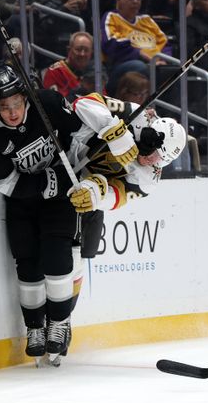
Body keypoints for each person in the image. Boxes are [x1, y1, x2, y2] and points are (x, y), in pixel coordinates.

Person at [0, 65, 82, 365]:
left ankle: (59, 323)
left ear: (25, 97)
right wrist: (46, 183)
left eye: (16, 104)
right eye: (4, 107)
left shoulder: (47, 103)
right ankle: (35, 327)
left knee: (57, 254)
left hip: (61, 198)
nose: (12, 112)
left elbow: (79, 134)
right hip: (23, 201)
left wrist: (71, 175)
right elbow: (8, 183)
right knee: (28, 262)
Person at [65, 92, 186, 320]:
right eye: (154, 153)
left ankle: (64, 318)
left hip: (85, 190)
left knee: (78, 259)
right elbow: (82, 103)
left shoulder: (150, 178)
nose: (151, 161)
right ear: (150, 134)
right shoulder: (135, 114)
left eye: (160, 161)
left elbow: (118, 197)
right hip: (64, 155)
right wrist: (113, 129)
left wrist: (97, 193)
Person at [101, 0, 171, 96]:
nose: (135, 1)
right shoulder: (111, 17)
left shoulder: (146, 20)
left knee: (177, 70)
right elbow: (111, 44)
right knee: (139, 67)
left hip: (155, 64)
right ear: (119, 0)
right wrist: (140, 54)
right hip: (122, 65)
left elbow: (165, 43)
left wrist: (163, 61)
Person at [43, 31, 94, 98]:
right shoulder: (55, 72)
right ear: (69, 50)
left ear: (91, 53)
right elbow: (54, 102)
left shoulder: (95, 73)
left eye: (86, 50)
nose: (82, 54)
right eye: (78, 49)